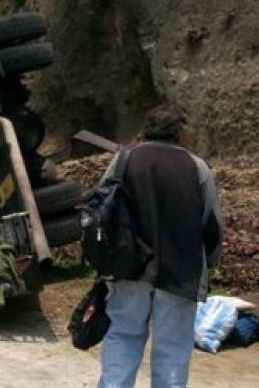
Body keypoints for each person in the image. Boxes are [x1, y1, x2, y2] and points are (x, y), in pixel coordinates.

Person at [96, 104, 223, 388]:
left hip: (130, 269)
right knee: (173, 351)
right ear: (179, 131)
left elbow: (100, 209)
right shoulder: (196, 167)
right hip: (180, 273)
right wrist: (210, 265)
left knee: (123, 338)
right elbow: (212, 225)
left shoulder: (124, 160)